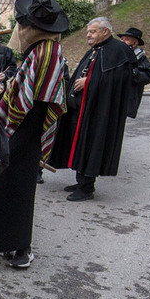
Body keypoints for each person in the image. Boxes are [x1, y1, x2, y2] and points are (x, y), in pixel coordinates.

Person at [0, 0, 69, 269]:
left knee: (19, 189)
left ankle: (22, 248)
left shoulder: (48, 52)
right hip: (18, 126)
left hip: (27, 128)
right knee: (2, 181)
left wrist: (10, 121)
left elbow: (32, 99)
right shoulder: (40, 49)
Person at [47, 16, 136, 202]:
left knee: (90, 146)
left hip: (98, 113)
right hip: (81, 109)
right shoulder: (95, 50)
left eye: (93, 31)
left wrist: (90, 82)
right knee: (79, 144)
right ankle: (81, 181)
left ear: (105, 31)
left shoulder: (119, 51)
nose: (88, 35)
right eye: (88, 31)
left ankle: (86, 188)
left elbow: (121, 81)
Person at [118, 27, 150, 118]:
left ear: (135, 43)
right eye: (122, 39)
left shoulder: (141, 59)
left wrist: (132, 72)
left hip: (127, 100)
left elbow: (147, 76)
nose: (122, 41)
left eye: (127, 39)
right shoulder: (117, 54)